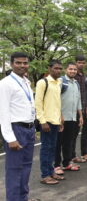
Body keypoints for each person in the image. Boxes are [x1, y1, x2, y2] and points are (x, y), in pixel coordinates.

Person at [0, 52, 39, 200]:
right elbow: (3, 113)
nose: (22, 66)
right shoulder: (5, 84)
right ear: (11, 64)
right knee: (15, 170)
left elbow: (29, 106)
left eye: (25, 63)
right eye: (18, 63)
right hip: (16, 130)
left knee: (26, 167)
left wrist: (32, 128)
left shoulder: (26, 82)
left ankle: (23, 198)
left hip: (28, 129)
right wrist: (10, 138)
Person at [35, 60, 64, 184]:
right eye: (55, 68)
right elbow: (38, 103)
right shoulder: (43, 82)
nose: (58, 70)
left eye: (59, 68)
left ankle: (51, 171)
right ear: (49, 68)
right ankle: (45, 175)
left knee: (53, 148)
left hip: (55, 121)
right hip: (46, 122)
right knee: (46, 148)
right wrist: (42, 121)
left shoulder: (58, 83)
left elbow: (57, 103)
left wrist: (60, 118)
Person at [54, 63, 83, 175]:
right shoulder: (61, 81)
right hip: (61, 118)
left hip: (72, 118)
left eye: (75, 69)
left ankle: (67, 163)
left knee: (68, 142)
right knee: (58, 143)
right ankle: (56, 165)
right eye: (70, 69)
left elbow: (78, 101)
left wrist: (80, 116)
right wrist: (60, 116)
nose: (73, 71)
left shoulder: (76, 83)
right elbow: (56, 100)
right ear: (66, 70)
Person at [73, 55, 87, 164]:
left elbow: (83, 94)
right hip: (72, 109)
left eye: (83, 62)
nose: (81, 64)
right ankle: (70, 157)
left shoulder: (83, 76)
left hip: (81, 108)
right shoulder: (73, 76)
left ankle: (73, 156)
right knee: (71, 134)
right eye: (79, 62)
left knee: (76, 133)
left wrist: (85, 108)